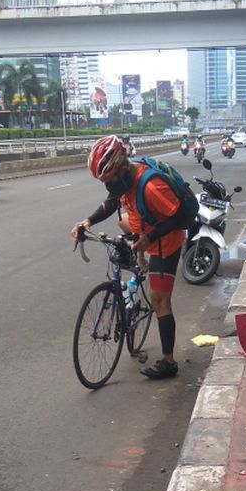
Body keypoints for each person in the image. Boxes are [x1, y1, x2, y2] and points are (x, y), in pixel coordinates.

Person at [72, 136, 193, 380]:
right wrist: (88, 221)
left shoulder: (151, 186)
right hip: (141, 224)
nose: (108, 185)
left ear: (122, 168)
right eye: (103, 181)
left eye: (109, 180)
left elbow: (181, 217)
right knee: (120, 225)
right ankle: (140, 266)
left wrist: (150, 237)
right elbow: (112, 201)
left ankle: (169, 363)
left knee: (159, 301)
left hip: (165, 241)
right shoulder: (123, 181)